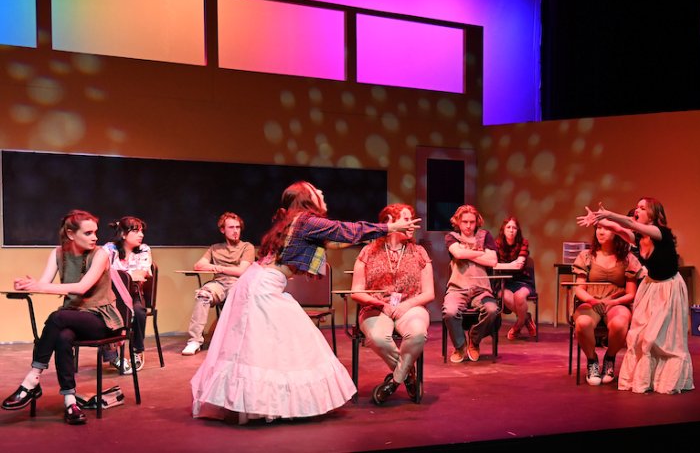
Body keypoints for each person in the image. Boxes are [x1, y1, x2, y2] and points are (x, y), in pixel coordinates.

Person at [191, 181, 421, 424]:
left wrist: (382, 233)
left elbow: (338, 240)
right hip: (263, 287)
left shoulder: (297, 222)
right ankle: (261, 403)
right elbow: (346, 230)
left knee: (265, 346)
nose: (322, 193)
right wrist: (388, 226)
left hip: (258, 283)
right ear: (308, 198)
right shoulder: (308, 221)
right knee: (276, 344)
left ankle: (259, 402)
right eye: (316, 191)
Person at [1, 210, 125, 425]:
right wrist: (27, 286)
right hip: (72, 318)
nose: (95, 237)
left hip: (101, 320)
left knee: (57, 318)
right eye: (88, 233)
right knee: (63, 336)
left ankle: (32, 380)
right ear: (70, 234)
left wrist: (41, 286)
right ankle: (70, 401)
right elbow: (45, 283)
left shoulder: (101, 254)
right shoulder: (58, 253)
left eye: (95, 232)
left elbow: (81, 287)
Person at [578, 197, 693, 394]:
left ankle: (666, 379)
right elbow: (620, 229)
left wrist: (608, 214)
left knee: (661, 339)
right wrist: (599, 219)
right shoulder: (639, 238)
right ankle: (646, 379)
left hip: (668, 288)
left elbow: (628, 223)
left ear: (653, 215)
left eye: (642, 208)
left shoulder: (660, 233)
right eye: (637, 207)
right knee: (640, 337)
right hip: (650, 288)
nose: (637, 210)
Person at [350, 203, 434, 405]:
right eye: (407, 219)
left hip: (411, 306)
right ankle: (408, 375)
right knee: (378, 337)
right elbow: (356, 291)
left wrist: (406, 305)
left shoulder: (419, 252)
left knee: (417, 334)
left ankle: (395, 381)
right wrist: (379, 303)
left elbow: (429, 293)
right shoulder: (368, 251)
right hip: (376, 308)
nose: (412, 224)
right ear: (389, 221)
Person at [572, 224, 642, 385]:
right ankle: (592, 361)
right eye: (598, 228)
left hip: (616, 302)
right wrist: (592, 300)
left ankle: (609, 358)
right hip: (591, 301)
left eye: (606, 228)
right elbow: (579, 289)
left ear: (617, 232)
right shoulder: (586, 256)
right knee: (583, 323)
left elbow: (631, 293)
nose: (601, 232)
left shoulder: (627, 258)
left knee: (619, 323)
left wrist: (613, 302)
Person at [182, 212, 255, 356]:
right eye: (231, 227)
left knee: (242, 297)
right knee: (203, 294)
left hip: (238, 284)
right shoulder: (215, 248)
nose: (235, 231)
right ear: (223, 230)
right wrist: (218, 269)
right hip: (219, 284)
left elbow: (241, 271)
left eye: (238, 227)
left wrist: (218, 268)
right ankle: (195, 341)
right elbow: (199, 265)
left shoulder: (247, 247)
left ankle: (239, 341)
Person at [442, 205, 499, 363]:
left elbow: (493, 261)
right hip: (457, 289)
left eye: (472, 222)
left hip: (481, 290)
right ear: (458, 222)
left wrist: (468, 254)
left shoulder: (485, 236)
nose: (468, 226)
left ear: (477, 222)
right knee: (450, 312)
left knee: (492, 310)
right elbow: (458, 254)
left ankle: (474, 341)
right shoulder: (451, 237)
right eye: (465, 221)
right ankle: (460, 345)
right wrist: (481, 253)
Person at [102, 216, 152, 374]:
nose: (141, 235)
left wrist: (118, 274)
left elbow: (141, 274)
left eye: (142, 231)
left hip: (133, 293)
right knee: (102, 312)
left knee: (138, 312)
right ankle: (113, 356)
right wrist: (128, 275)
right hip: (110, 294)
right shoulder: (109, 249)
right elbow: (101, 272)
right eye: (136, 231)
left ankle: (137, 350)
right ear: (123, 234)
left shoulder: (144, 249)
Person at [494, 216, 537, 340]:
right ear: (503, 229)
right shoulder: (497, 244)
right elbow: (492, 264)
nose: (511, 230)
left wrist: (502, 265)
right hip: (505, 282)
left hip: (523, 280)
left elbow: (519, 265)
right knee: (502, 295)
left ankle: (518, 325)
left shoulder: (523, 242)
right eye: (508, 227)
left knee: (519, 296)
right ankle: (526, 318)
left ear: (517, 230)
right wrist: (508, 265)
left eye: (514, 227)